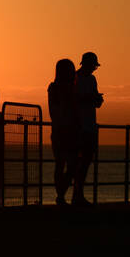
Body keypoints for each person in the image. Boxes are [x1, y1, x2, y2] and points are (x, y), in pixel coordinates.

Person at [72, 51, 104, 205]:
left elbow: (95, 102)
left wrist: (98, 99)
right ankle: (76, 195)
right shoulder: (75, 79)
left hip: (90, 126)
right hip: (79, 126)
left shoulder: (92, 79)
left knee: (85, 162)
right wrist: (90, 98)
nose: (93, 69)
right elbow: (74, 100)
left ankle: (78, 194)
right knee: (77, 163)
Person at [46, 59, 78, 205]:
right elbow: (59, 109)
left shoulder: (58, 88)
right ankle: (61, 195)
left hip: (64, 130)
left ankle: (61, 194)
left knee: (65, 165)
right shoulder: (58, 88)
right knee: (65, 165)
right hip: (62, 130)